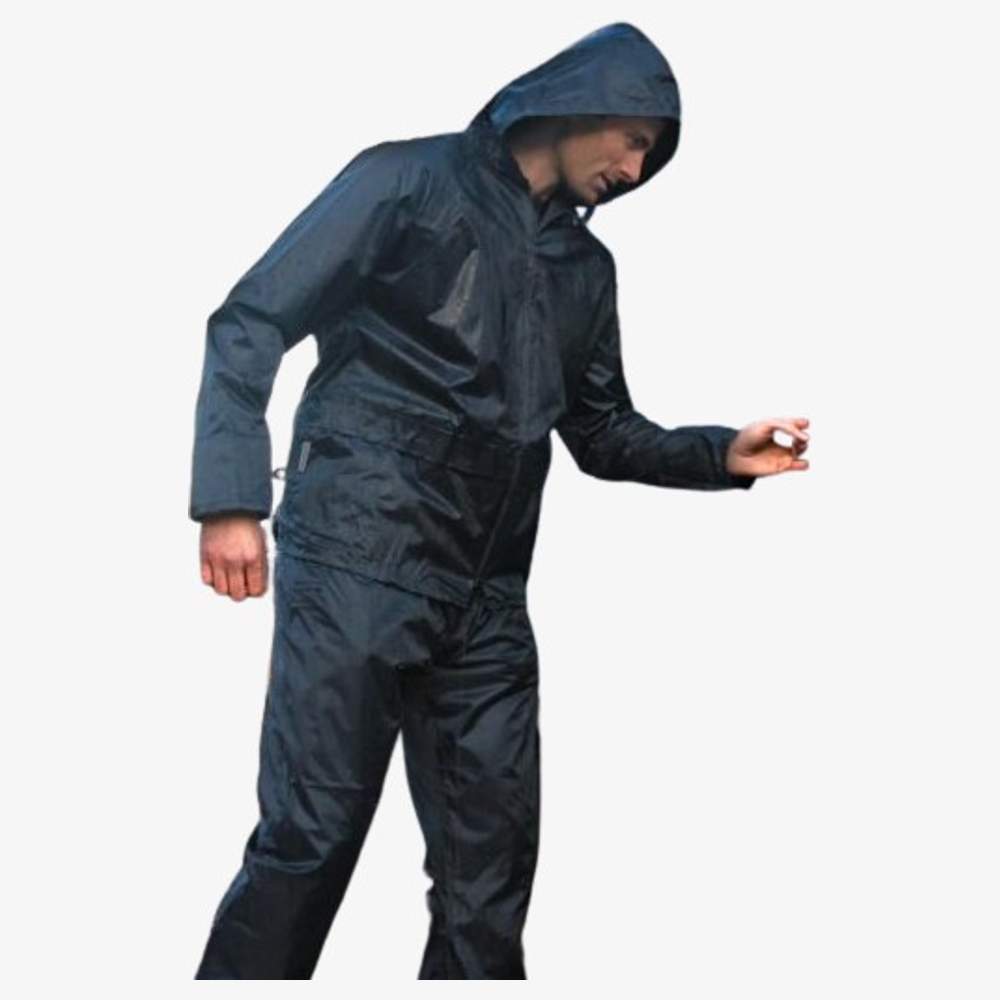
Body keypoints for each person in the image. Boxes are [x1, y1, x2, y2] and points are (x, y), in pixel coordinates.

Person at [189, 21, 810, 980]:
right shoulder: (404, 182)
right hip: (358, 562)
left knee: (490, 879)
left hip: (486, 603)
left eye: (651, 158)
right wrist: (231, 500)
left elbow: (601, 432)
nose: (635, 171)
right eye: (634, 141)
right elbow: (251, 319)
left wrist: (719, 454)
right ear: (580, 101)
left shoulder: (584, 271)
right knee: (309, 842)